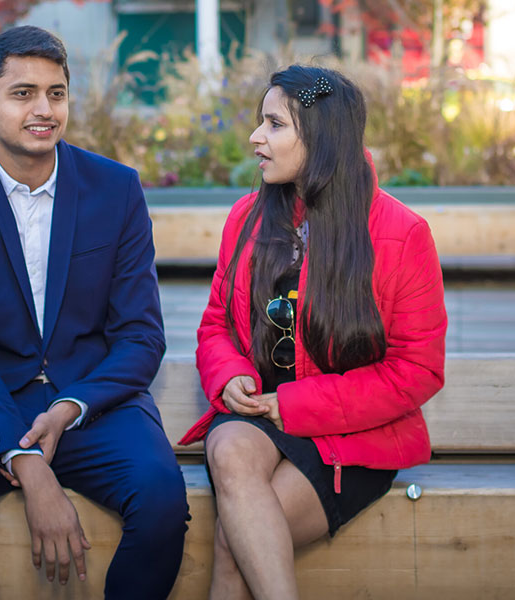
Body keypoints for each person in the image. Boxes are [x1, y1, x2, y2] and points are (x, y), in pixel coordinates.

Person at [0, 25, 188, 600]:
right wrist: (28, 465)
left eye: (56, 93)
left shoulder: (116, 190)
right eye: (23, 93)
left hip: (88, 400)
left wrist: (68, 408)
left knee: (161, 491)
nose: (43, 109)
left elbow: (140, 335)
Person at [179, 65, 447, 599]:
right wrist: (231, 374)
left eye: (275, 125)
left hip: (352, 438)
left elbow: (416, 371)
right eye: (261, 122)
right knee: (228, 448)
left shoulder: (401, 233)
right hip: (259, 420)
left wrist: (296, 404)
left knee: (239, 541)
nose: (256, 137)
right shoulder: (247, 218)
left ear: (321, 139)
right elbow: (215, 325)